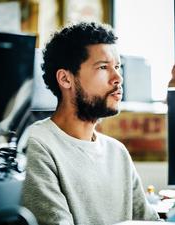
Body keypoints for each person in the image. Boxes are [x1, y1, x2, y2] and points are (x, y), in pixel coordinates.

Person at [21, 22, 160, 225]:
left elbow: (149, 222)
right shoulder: (36, 146)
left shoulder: (117, 151)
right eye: (103, 67)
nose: (118, 78)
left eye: (117, 67)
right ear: (65, 79)